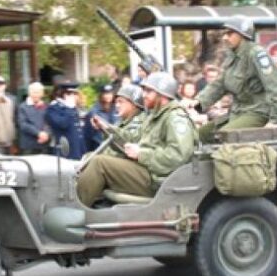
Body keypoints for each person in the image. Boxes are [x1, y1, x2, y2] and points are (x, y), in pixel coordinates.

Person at [76, 72, 197, 205]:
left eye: (149, 91)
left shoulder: (175, 118)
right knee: (92, 158)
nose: (143, 95)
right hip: (148, 171)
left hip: (158, 180)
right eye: (144, 90)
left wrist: (141, 154)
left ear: (163, 95)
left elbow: (178, 156)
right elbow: (131, 138)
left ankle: (78, 210)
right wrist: (107, 128)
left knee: (100, 164)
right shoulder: (155, 116)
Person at [195, 16, 277, 130]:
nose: (225, 37)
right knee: (200, 134)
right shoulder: (231, 56)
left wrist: (276, 120)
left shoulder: (256, 54)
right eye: (224, 33)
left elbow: (276, 87)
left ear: (242, 34)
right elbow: (218, 85)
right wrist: (198, 103)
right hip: (238, 112)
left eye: (230, 33)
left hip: (258, 112)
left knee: (226, 135)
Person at [94, 84, 146, 158]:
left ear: (134, 104)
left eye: (121, 102)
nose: (117, 105)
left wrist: (107, 128)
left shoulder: (139, 120)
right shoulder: (122, 120)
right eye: (116, 102)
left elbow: (127, 143)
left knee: (97, 161)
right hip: (113, 161)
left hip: (126, 164)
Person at [46, 83, 87, 160]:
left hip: (78, 150)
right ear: (65, 95)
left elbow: (78, 132)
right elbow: (63, 124)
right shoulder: (53, 108)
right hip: (65, 151)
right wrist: (69, 109)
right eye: (72, 94)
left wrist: (83, 151)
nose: (75, 97)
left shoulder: (72, 107)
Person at [16, 82, 51, 154]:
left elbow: (49, 122)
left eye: (38, 92)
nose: (36, 95)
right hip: (29, 146)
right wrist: (38, 133)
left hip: (44, 144)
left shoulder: (46, 106)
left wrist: (47, 134)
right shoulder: (23, 107)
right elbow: (23, 124)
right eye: (34, 92)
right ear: (29, 93)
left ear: (42, 94)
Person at [84, 84, 117, 151]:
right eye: (106, 93)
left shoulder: (117, 108)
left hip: (115, 144)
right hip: (100, 145)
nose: (108, 96)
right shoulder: (94, 111)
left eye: (110, 93)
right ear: (101, 95)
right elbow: (88, 135)